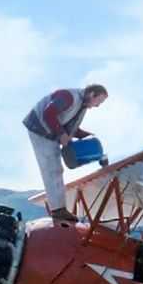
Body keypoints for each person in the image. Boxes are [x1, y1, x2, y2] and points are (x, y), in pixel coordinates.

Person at [23, 84, 108, 221]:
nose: (98, 105)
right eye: (99, 101)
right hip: (39, 129)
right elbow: (49, 113)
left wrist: (86, 135)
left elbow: (69, 124)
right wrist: (61, 134)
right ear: (92, 94)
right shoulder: (69, 97)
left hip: (49, 131)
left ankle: (59, 208)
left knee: (56, 168)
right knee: (52, 168)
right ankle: (58, 210)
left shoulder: (81, 105)